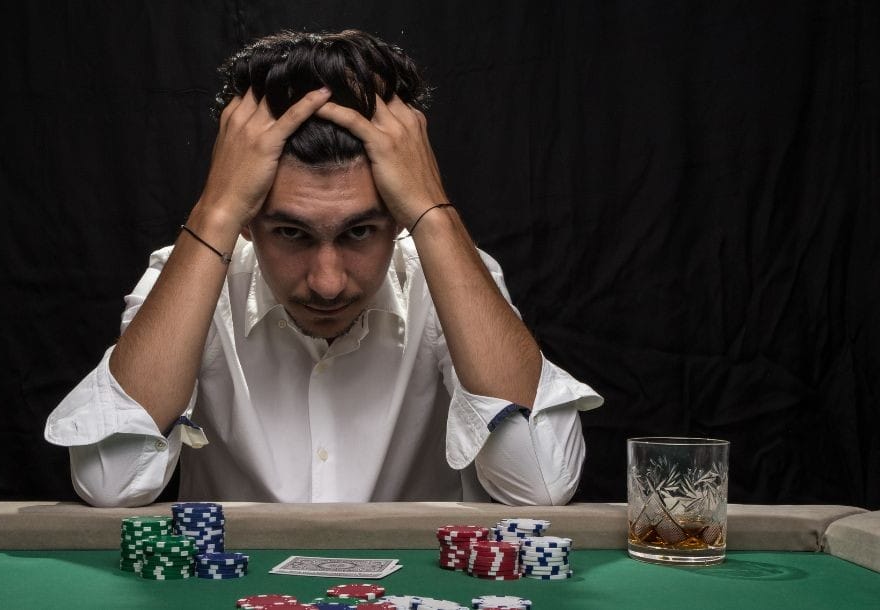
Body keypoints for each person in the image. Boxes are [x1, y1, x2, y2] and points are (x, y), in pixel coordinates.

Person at [45, 29, 602, 507]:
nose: (328, 281)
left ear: (399, 220)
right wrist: (214, 213)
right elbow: (112, 486)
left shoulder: (449, 274)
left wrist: (433, 213)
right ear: (246, 220)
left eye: (360, 232)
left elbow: (541, 485)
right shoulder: (190, 275)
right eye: (291, 233)